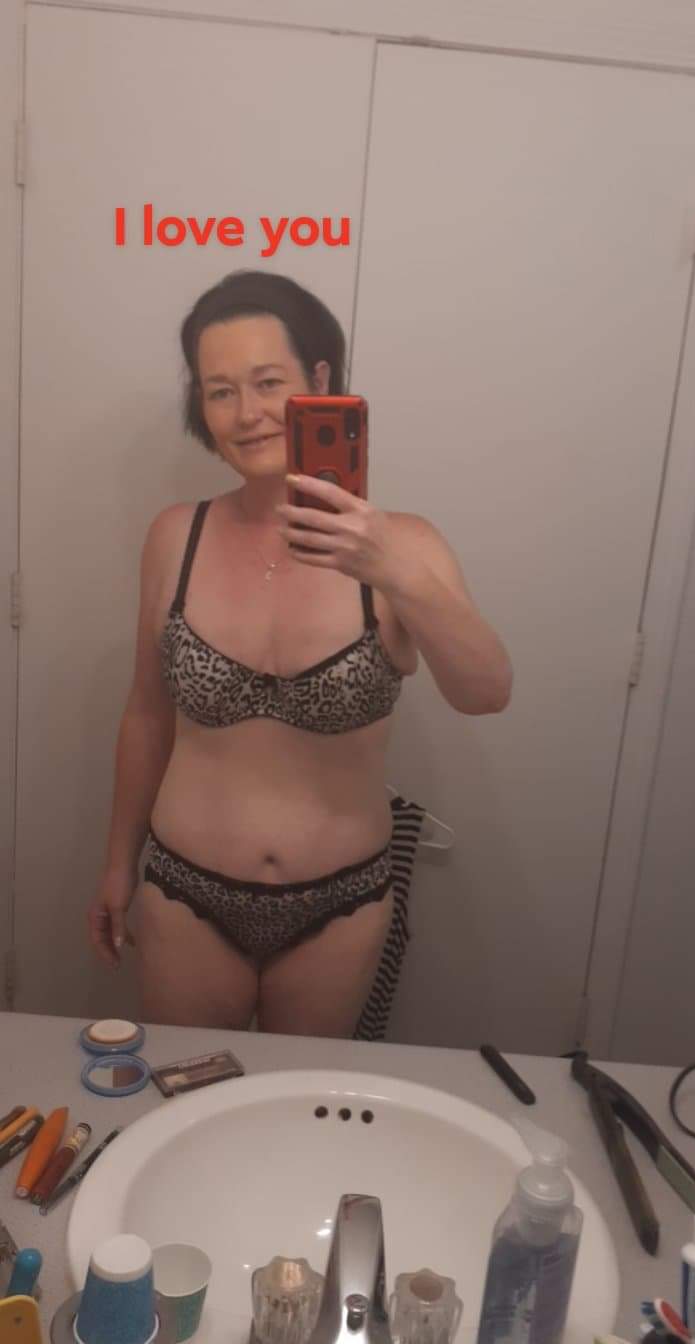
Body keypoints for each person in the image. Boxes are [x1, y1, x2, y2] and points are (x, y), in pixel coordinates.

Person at [87, 270, 513, 1036]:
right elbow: (146, 716)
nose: (246, 413)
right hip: (185, 891)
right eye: (220, 391)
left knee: (303, 1101)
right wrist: (119, 861)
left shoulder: (405, 544)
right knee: (189, 1094)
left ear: (319, 381)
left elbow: (485, 692)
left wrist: (395, 570)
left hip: (339, 905)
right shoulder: (175, 536)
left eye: (267, 381)